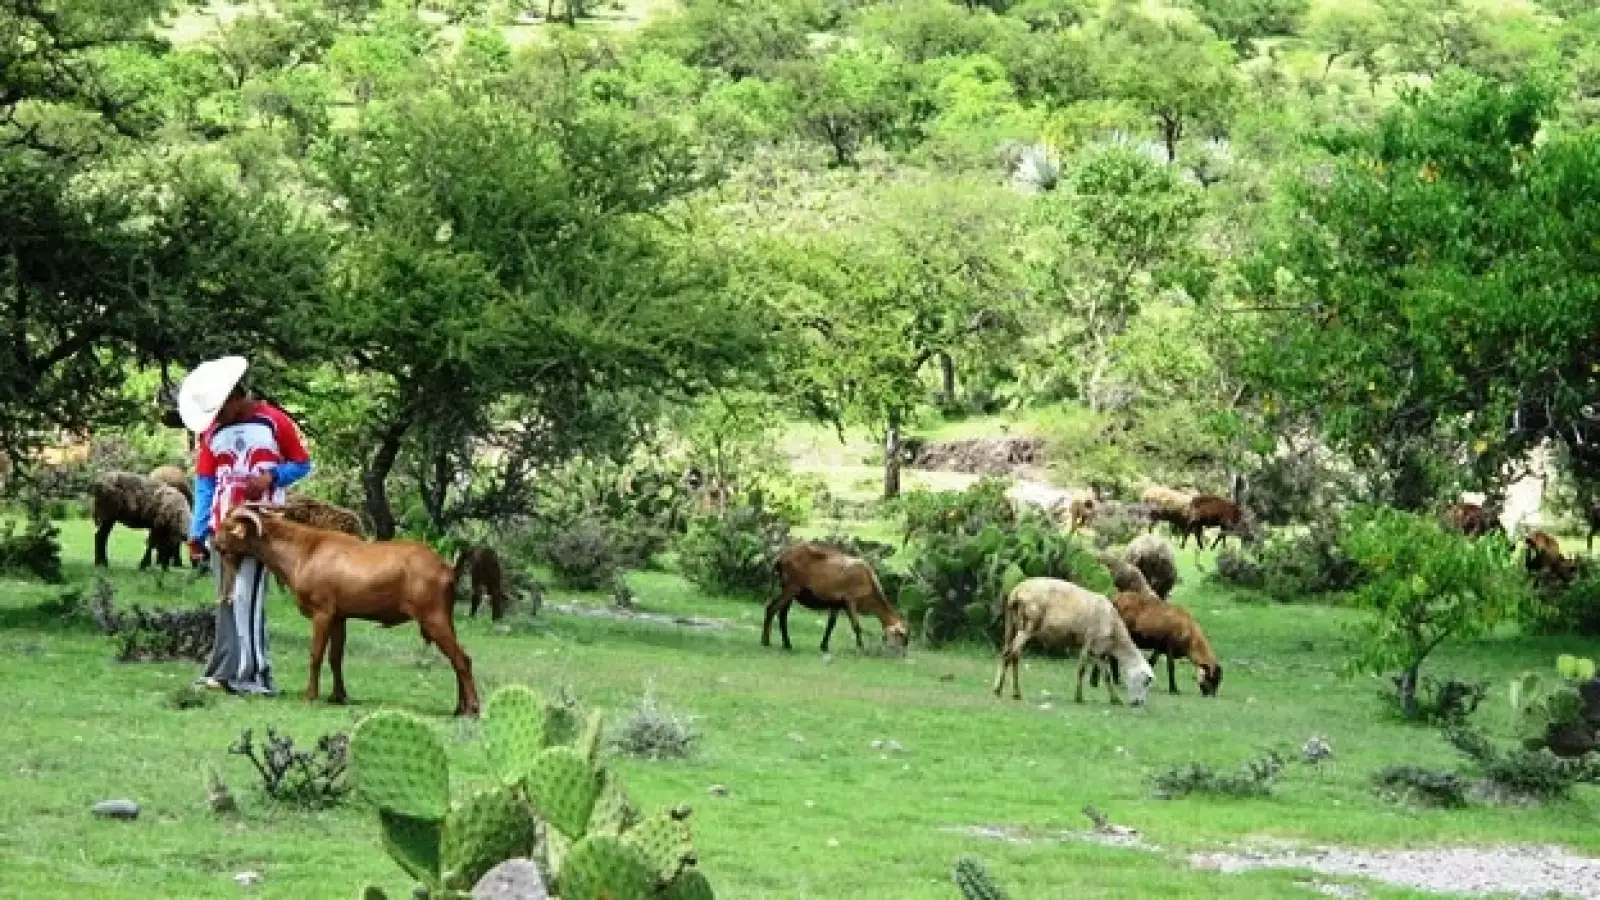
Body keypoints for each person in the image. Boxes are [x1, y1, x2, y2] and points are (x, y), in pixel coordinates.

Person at [178, 356, 313, 695]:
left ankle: (255, 675)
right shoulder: (211, 432)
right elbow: (205, 482)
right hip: (222, 526)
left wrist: (272, 475)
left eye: (222, 409)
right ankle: (226, 669)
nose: (218, 417)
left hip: (260, 525)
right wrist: (198, 531)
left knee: (247, 597)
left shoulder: (274, 421)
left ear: (235, 398)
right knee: (226, 598)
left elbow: (302, 463)